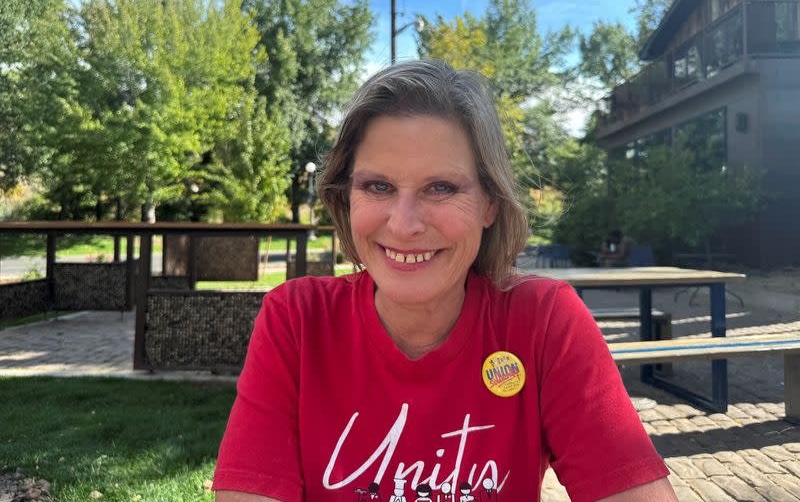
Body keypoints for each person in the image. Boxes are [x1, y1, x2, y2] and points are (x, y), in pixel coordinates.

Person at [212, 60, 677, 501]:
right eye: (378, 186)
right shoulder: (297, 320)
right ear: (345, 197)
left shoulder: (542, 320)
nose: (404, 223)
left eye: (441, 188)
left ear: (490, 204)